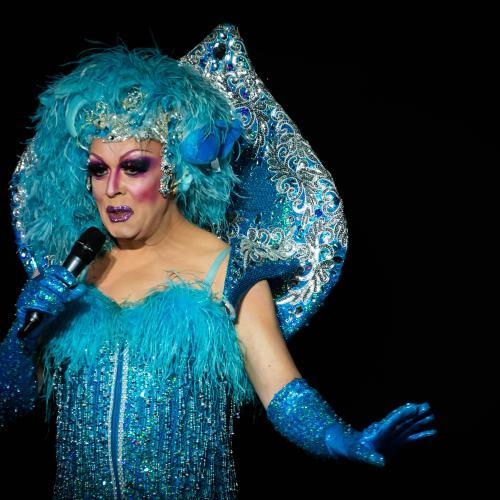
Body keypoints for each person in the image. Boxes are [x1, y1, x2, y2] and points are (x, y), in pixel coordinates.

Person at [0, 23, 437, 499]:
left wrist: (342, 441)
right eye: (99, 170)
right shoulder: (73, 274)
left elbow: (283, 393)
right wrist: (23, 336)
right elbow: (9, 406)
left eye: (134, 167)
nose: (112, 189)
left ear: (173, 171)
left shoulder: (227, 271)